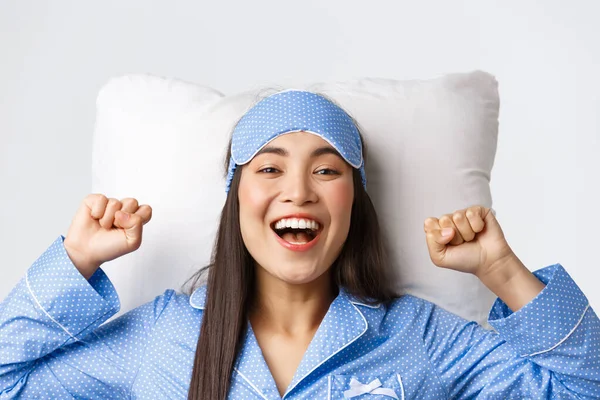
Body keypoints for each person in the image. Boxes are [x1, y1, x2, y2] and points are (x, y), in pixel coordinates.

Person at [0, 90, 598, 400]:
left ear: (353, 202)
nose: (298, 192)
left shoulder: (421, 339)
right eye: (269, 170)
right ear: (236, 199)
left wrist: (499, 269)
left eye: (327, 170)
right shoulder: (161, 340)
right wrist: (76, 262)